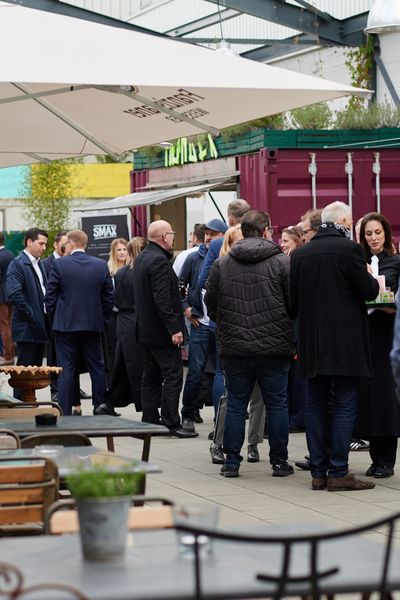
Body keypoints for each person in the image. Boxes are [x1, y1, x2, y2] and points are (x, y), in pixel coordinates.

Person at [290, 201, 379, 492]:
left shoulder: (301, 254)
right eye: (350, 221)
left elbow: (293, 303)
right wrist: (367, 274)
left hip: (311, 342)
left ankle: (318, 472)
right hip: (345, 342)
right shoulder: (349, 250)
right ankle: (339, 471)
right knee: (344, 404)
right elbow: (369, 291)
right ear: (341, 221)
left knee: (315, 405)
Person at [205, 210, 295, 478]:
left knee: (235, 403)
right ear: (266, 230)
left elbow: (210, 305)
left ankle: (231, 462)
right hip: (275, 347)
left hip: (234, 348)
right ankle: (279, 462)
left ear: (242, 231)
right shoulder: (281, 263)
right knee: (277, 403)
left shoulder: (222, 265)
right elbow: (294, 303)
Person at [133, 220, 197, 438]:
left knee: (150, 376)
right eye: (171, 233)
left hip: (145, 330)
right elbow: (163, 299)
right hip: (162, 332)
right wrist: (174, 329)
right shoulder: (159, 261)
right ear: (163, 237)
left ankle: (150, 420)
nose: (173, 237)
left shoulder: (142, 258)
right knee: (173, 375)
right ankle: (171, 422)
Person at [45, 229, 114, 415]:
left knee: (66, 369)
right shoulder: (100, 265)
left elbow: (50, 298)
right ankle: (99, 407)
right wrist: (102, 319)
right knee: (97, 367)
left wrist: (55, 320)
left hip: (64, 326)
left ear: (71, 244)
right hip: (92, 325)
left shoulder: (60, 265)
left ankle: (65, 410)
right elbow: (109, 297)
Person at [355, 213, 400, 478]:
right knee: (368, 396)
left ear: (386, 234)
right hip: (365, 335)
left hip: (386, 334)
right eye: (369, 234)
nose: (373, 238)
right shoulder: (358, 262)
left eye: (378, 233)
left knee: (386, 398)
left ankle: (387, 460)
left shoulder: (395, 262)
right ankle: (374, 457)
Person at [179, 219, 227, 434]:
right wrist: (186, 308)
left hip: (221, 325)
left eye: (214, 234)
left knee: (221, 374)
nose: (208, 238)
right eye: (207, 233)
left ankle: (220, 420)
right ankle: (187, 414)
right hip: (200, 323)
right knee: (195, 372)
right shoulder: (193, 257)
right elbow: (180, 286)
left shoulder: (227, 258)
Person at [95, 237, 147, 416]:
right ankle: (145, 408)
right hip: (135, 321)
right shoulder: (139, 273)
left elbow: (113, 298)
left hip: (123, 322)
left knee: (123, 365)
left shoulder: (121, 273)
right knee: (136, 366)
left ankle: (109, 402)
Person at [6, 228, 49, 396]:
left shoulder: (39, 264)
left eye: (46, 244)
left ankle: (29, 406)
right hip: (27, 328)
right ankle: (19, 410)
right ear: (29, 242)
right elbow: (14, 294)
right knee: (23, 375)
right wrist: (32, 315)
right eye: (41, 243)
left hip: (39, 326)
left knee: (34, 375)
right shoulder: (17, 264)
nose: (44, 247)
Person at [106, 238, 129, 385]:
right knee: (112, 350)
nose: (122, 252)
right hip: (112, 315)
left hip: (128, 315)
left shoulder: (133, 268)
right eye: (118, 250)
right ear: (113, 252)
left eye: (124, 249)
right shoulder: (108, 269)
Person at [0, 233, 15, 365]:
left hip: (1, 294)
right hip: (10, 292)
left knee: (4, 326)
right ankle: (11, 355)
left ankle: (7, 356)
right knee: (8, 325)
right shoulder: (10, 253)